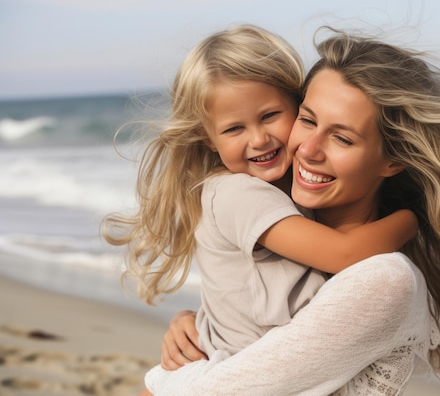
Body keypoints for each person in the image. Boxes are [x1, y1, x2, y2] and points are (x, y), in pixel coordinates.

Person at [144, 27, 440, 396]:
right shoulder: (265, 210)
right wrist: (193, 322)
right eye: (309, 120)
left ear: (394, 158)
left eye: (342, 136)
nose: (306, 148)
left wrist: (165, 379)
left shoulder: (383, 278)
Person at [101, 24, 419, 395]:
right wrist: (412, 219)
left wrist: (191, 319)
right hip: (227, 373)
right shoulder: (239, 193)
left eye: (270, 116)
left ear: (295, 105)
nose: (258, 139)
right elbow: (343, 253)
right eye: (234, 128)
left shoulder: (285, 194)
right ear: (209, 139)